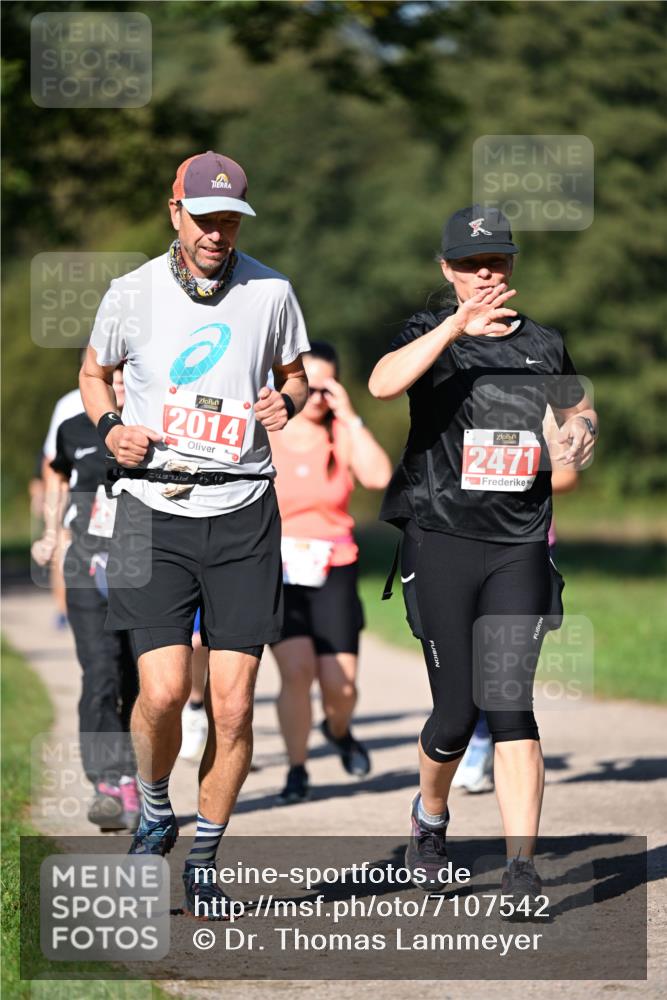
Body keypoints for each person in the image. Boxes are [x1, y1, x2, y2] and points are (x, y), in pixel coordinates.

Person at [79, 150, 310, 919]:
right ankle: (152, 807)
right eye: (204, 217)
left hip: (243, 508)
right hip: (152, 510)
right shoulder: (130, 293)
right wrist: (111, 428)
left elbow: (295, 376)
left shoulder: (271, 289)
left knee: (234, 706)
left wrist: (288, 402)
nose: (217, 232)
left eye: (230, 220)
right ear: (173, 211)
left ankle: (205, 855)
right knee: (164, 691)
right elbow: (91, 372)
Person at [369, 206, 597, 901]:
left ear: (511, 266)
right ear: (446, 269)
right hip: (440, 539)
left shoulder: (544, 343)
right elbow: (381, 383)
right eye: (470, 264)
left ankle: (522, 870)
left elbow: (575, 407)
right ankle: (429, 820)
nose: (484, 274)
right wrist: (451, 327)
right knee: (453, 715)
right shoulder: (425, 334)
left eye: (495, 261)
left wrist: (581, 431)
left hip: (518, 543)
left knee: (509, 706)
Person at [269, 342, 392, 804]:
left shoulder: (340, 434)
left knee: (341, 686)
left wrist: (352, 416)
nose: (317, 396)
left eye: (327, 386)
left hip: (334, 566)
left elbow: (380, 477)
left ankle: (338, 730)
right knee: (296, 673)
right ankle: (297, 768)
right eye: (310, 385)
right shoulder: (269, 432)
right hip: (277, 570)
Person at [32, 366, 141, 832]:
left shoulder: (151, 427)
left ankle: (141, 780)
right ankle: (108, 784)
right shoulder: (73, 427)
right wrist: (51, 533)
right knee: (99, 672)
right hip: (85, 564)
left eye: (125, 375)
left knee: (140, 680)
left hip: (143, 568)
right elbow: (57, 477)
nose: (116, 384)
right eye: (109, 375)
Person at [452, 409, 579, 795]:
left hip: (527, 543)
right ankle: (475, 735)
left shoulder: (541, 408)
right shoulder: (459, 396)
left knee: (505, 664)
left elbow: (569, 475)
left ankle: (484, 743)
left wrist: (509, 472)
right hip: (463, 544)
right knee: (468, 659)